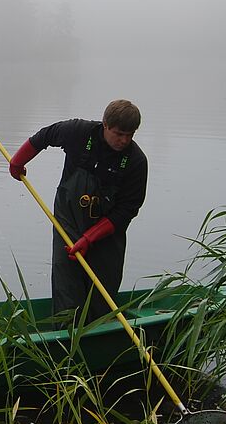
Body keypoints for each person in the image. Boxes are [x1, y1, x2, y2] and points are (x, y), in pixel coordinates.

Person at [8, 99, 147, 321]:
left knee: (102, 296)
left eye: (130, 134)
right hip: (68, 226)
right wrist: (17, 162)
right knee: (67, 292)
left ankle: (98, 341)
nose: (125, 140)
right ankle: (65, 344)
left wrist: (89, 238)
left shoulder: (136, 162)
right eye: (119, 133)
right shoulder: (78, 132)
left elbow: (127, 210)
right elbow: (44, 137)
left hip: (106, 237)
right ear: (105, 125)